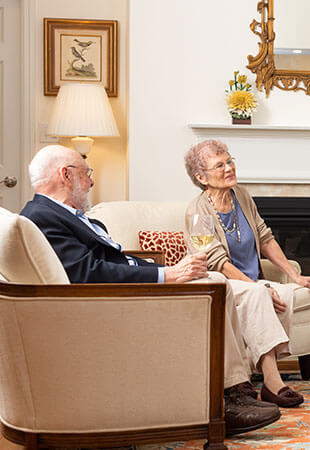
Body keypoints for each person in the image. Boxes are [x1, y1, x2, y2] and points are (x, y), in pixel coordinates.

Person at [20, 145, 281, 437]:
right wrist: (166, 273)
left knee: (213, 280)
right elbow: (88, 273)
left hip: (128, 289)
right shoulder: (43, 216)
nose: (91, 181)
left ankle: (235, 389)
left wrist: (160, 268)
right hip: (119, 305)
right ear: (65, 175)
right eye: (86, 173)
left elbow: (109, 260)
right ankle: (227, 401)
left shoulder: (61, 213)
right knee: (214, 285)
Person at [184, 139, 310, 408]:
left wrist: (294, 276)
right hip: (220, 283)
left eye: (230, 160)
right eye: (219, 165)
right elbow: (218, 263)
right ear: (201, 177)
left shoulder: (242, 196)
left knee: (285, 294)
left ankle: (248, 366)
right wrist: (259, 287)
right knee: (261, 293)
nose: (229, 168)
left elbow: (265, 238)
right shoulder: (197, 210)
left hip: (250, 281)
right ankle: (272, 382)